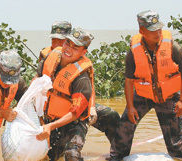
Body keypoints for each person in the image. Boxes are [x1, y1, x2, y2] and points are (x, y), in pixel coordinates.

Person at [107, 10, 182, 161]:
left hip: (169, 97)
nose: (157, 33)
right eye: (152, 30)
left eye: (159, 28)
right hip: (143, 95)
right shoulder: (133, 51)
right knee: (125, 125)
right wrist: (130, 107)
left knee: (176, 141)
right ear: (141, 31)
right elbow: (129, 81)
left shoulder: (173, 47)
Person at [37, 21, 120, 150]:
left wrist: (92, 107)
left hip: (76, 105)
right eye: (54, 39)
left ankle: (118, 155)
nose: (56, 44)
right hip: (52, 109)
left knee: (111, 116)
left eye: (60, 40)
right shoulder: (46, 55)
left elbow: (89, 87)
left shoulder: (80, 65)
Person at [36, 28, 96, 161]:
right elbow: (36, 82)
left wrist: (49, 127)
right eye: (67, 43)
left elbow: (75, 113)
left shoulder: (81, 78)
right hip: (51, 119)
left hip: (73, 124)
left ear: (83, 51)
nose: (68, 49)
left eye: (75, 47)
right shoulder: (50, 58)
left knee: (72, 155)